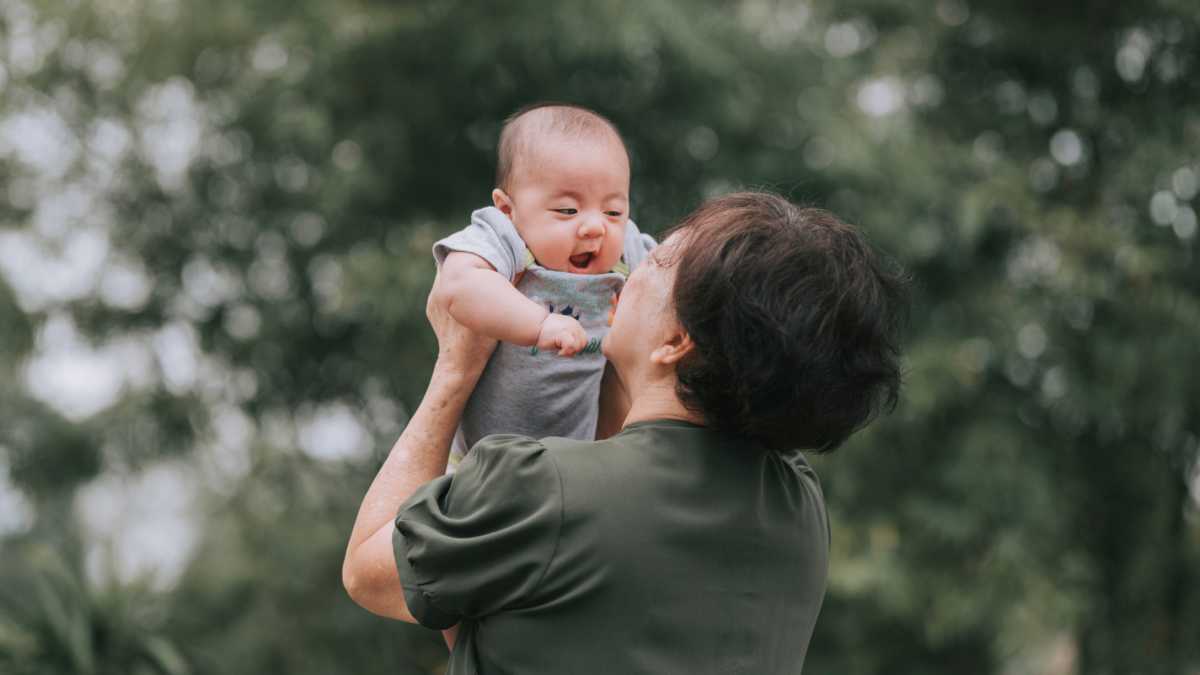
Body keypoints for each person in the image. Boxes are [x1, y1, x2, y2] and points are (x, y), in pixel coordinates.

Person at [343, 191, 909, 674]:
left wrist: (455, 368)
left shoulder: (537, 488)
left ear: (676, 342)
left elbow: (370, 571)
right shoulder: (800, 508)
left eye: (659, 261)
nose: (632, 264)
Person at [431, 102, 656, 470]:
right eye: (568, 210)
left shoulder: (625, 247)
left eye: (613, 211)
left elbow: (676, 281)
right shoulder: (507, 239)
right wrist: (540, 325)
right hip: (480, 465)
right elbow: (457, 285)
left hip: (572, 465)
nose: (595, 227)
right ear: (508, 208)